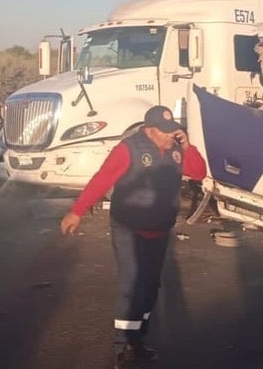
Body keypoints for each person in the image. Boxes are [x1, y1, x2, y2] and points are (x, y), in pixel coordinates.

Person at [60, 106, 207, 368]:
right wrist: (77, 211)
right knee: (132, 283)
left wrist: (187, 146)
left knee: (150, 286)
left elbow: (198, 173)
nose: (169, 137)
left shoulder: (175, 149)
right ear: (149, 130)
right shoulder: (128, 149)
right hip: (129, 227)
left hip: (159, 229)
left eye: (172, 132)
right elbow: (101, 180)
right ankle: (121, 345)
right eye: (163, 133)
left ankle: (138, 339)